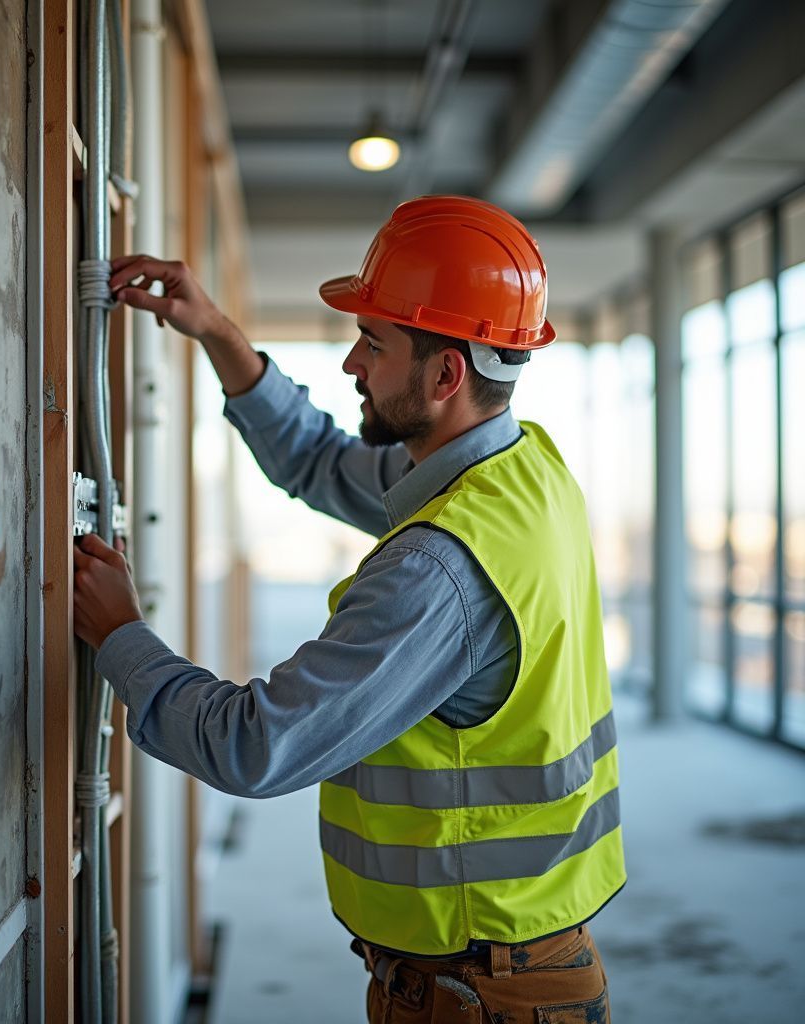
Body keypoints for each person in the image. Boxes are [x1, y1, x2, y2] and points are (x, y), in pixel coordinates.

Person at [73, 195, 625, 1023]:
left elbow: (256, 747)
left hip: (476, 992)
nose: (351, 366)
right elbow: (323, 464)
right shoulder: (521, 472)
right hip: (518, 958)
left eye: (373, 342)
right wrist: (219, 334)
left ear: (445, 375)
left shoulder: (437, 570)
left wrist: (121, 636)